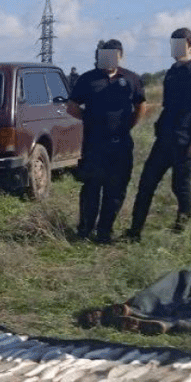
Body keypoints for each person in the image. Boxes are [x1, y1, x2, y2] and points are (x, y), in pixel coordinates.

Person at [125, 28, 191, 241]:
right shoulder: (172, 71)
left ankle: (182, 233)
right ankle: (134, 232)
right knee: (146, 183)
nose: (174, 49)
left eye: (179, 44)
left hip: (186, 139)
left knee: (180, 187)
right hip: (164, 137)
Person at [67, 40, 147, 244]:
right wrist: (89, 119)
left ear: (120, 56)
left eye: (113, 55)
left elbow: (140, 106)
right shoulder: (87, 79)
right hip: (94, 145)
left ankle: (105, 232)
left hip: (120, 145)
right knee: (91, 188)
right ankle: (85, 229)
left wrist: (126, 125)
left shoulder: (131, 79)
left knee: (116, 190)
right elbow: (72, 106)